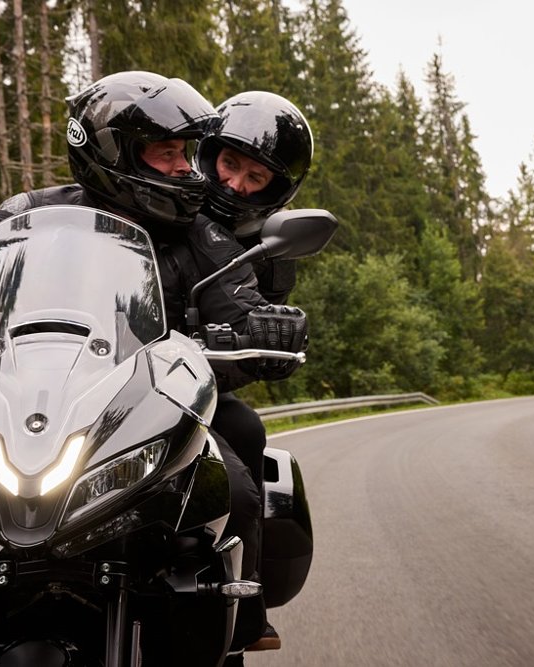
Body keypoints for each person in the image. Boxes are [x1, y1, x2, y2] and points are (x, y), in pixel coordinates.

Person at [0, 71, 307, 653]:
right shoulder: (22, 217)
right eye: (167, 153)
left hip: (150, 401)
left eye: (185, 153)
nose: (185, 168)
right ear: (116, 152)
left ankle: (240, 620)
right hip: (30, 399)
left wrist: (262, 328)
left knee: (237, 477)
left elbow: (240, 304)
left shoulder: (199, 234)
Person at [194, 90, 314, 652]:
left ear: (278, 186)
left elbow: (253, 322)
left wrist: (264, 340)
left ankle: (243, 605)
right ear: (209, 153)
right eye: (230, 164)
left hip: (188, 383)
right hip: (91, 377)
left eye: (255, 176)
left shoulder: (268, 246)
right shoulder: (160, 201)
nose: (237, 184)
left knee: (244, 434)